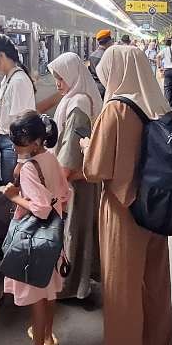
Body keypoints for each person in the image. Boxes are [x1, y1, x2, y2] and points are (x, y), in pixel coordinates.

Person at [83, 46, 172, 345]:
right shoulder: (158, 103)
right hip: (159, 210)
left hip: (124, 212)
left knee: (122, 290)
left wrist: (85, 147)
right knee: (156, 286)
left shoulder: (116, 109)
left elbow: (96, 169)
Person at [1, 111, 72, 345]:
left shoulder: (30, 168)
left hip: (34, 239)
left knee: (36, 297)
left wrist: (14, 196)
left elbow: (39, 209)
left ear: (34, 142)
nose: (14, 145)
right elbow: (65, 193)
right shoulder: (50, 159)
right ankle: (48, 336)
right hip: (53, 236)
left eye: (18, 141)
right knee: (49, 289)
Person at [47, 53, 103, 300]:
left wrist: (58, 179)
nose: (57, 83)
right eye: (55, 78)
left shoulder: (77, 104)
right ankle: (77, 282)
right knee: (78, 230)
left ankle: (72, 286)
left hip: (75, 183)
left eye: (61, 77)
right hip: (78, 179)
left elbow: (70, 150)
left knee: (73, 230)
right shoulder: (74, 99)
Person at [0, 34, 36, 184]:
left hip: (14, 146)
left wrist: (21, 161)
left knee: (13, 187)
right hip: (8, 143)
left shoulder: (18, 81)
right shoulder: (9, 78)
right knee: (10, 186)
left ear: (0, 55)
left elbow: (20, 125)